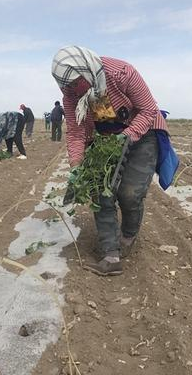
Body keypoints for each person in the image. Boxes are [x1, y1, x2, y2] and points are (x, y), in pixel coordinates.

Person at [52, 45, 171, 276]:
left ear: (86, 69)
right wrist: (76, 166)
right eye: (65, 86)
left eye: (75, 83)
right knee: (101, 192)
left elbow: (148, 110)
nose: (72, 90)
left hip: (142, 133)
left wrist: (125, 137)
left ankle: (128, 235)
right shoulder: (70, 95)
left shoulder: (121, 73)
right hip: (104, 139)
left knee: (129, 193)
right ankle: (111, 255)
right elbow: (76, 133)